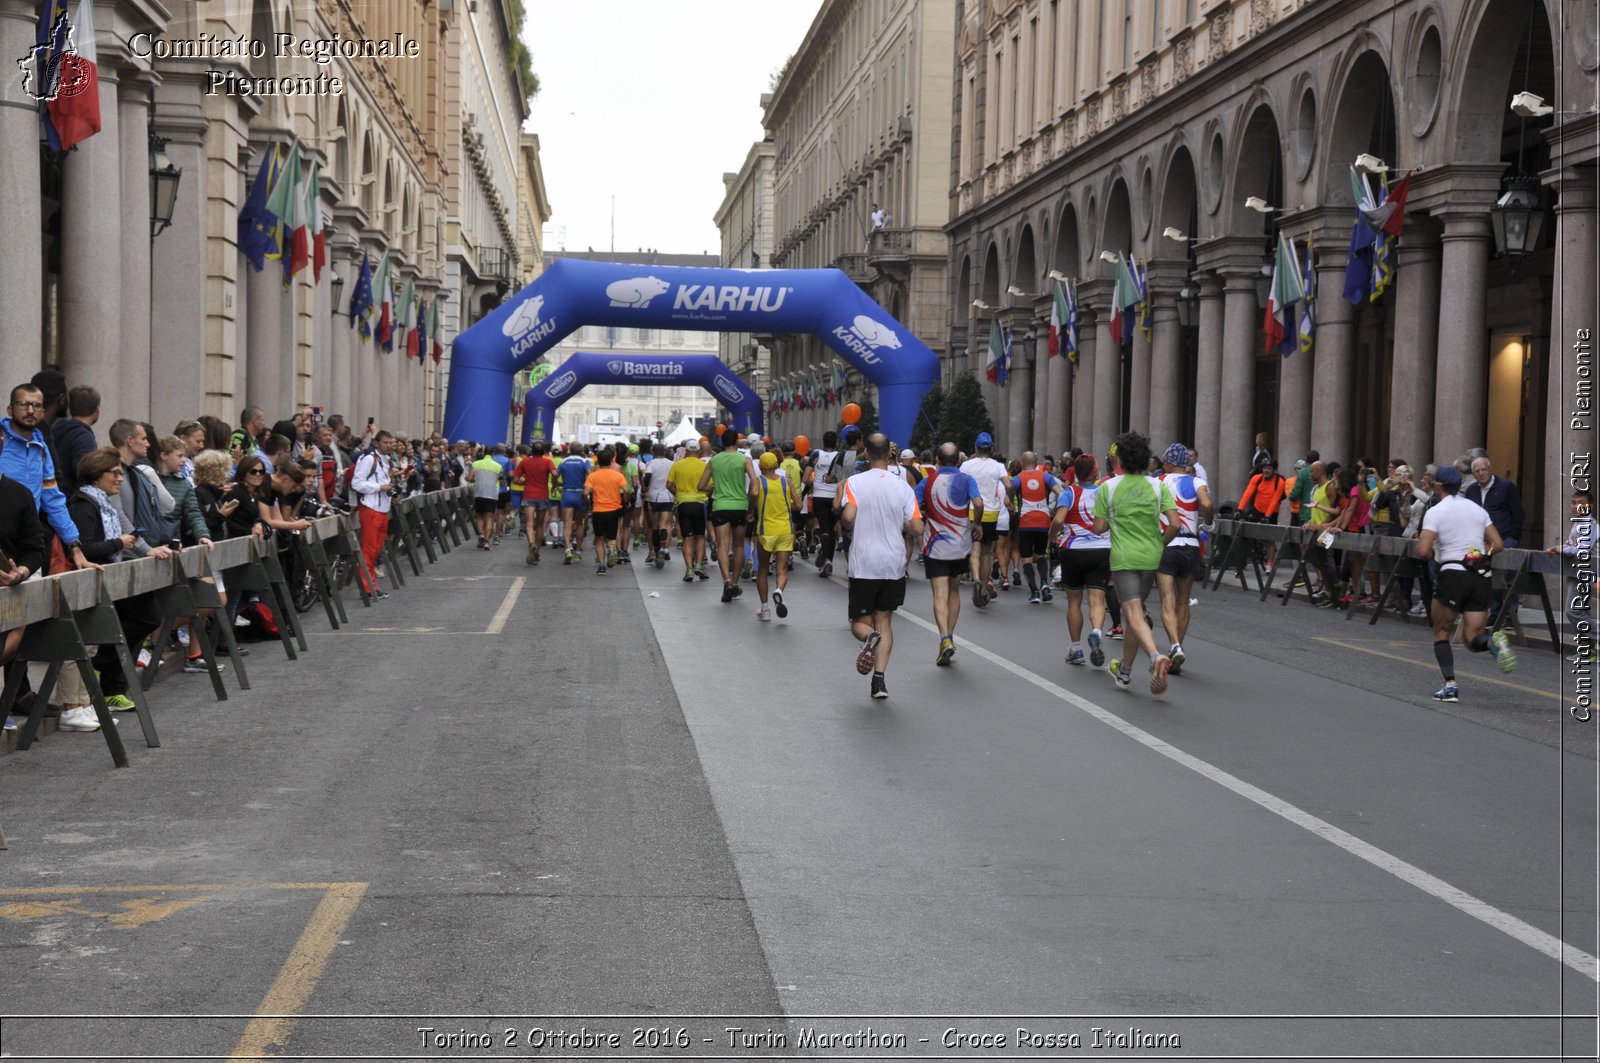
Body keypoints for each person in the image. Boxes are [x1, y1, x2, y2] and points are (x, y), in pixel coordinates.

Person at [65, 447, 180, 728]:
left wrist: (137, 546)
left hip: (110, 578)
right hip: (91, 582)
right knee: (84, 646)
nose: (119, 479)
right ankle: (80, 704)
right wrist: (121, 544)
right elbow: (86, 548)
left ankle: (95, 695)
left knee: (137, 621)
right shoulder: (84, 504)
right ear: (97, 475)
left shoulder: (102, 502)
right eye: (114, 474)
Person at [1416, 463, 1517, 702]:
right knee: (1472, 639)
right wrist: (1476, 556)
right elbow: (1498, 544)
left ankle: (1450, 686)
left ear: (1437, 486)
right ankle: (1492, 641)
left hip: (1452, 575)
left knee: (1441, 631)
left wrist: (1432, 553)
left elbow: (1422, 551)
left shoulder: (1436, 511)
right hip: (1479, 575)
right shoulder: (1476, 509)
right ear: (1459, 485)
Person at [1091, 432, 1179, 695]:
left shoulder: (1109, 487)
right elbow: (1175, 523)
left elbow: (1098, 527)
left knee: (1132, 613)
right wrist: (1160, 544)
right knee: (1136, 615)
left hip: (1124, 556)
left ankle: (1155, 657)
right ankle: (1125, 672)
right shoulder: (1157, 486)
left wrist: (1113, 518)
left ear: (1120, 459)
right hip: (1151, 555)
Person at [840, 434, 923, 700]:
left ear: (866, 453)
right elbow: (918, 527)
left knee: (858, 622)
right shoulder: (903, 487)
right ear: (889, 454)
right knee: (885, 619)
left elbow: (849, 517)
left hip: (864, 563)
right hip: (893, 563)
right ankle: (879, 681)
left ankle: (870, 637)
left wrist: (847, 521)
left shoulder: (854, 482)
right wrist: (904, 524)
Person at [0, 383, 94, 572]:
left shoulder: (41, 448)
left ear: (42, 411)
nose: (30, 411)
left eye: (36, 406)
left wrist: (74, 545)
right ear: (10, 409)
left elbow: (53, 499)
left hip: (28, 546)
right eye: (23, 404)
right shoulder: (1, 440)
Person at [915, 443, 982, 665]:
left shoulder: (928, 481)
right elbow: (979, 502)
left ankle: (943, 637)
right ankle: (950, 636)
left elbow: (913, 504)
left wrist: (924, 515)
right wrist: (977, 523)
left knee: (939, 594)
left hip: (935, 545)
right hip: (960, 544)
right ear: (959, 461)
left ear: (938, 460)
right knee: (954, 591)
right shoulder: (966, 479)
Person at [1156, 442, 1213, 674]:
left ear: (1169, 462)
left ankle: (1174, 646)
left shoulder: (1158, 482)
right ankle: (1178, 646)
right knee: (1183, 601)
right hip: (1190, 546)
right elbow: (1207, 504)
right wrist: (1208, 524)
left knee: (1167, 600)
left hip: (1167, 544)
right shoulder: (1197, 481)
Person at [1051, 453, 1112, 668]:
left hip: (1074, 550)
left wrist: (1052, 536)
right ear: (1095, 471)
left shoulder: (1069, 493)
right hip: (1102, 550)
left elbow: (1059, 519)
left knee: (1074, 601)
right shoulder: (1104, 492)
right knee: (1097, 600)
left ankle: (1075, 649)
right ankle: (1096, 632)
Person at [699, 433, 758, 603]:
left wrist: (716, 486)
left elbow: (701, 486)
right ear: (737, 442)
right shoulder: (744, 460)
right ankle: (735, 582)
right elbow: (754, 487)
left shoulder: (714, 460)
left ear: (721, 443)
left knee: (722, 546)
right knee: (739, 545)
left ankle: (726, 581)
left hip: (720, 506)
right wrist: (751, 507)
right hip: (740, 506)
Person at [750, 451, 799, 620]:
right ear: (777, 466)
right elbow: (798, 505)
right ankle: (779, 590)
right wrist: (784, 506)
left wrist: (751, 510)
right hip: (785, 529)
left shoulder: (758, 482)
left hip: (766, 531)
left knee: (763, 569)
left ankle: (765, 610)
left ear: (761, 467)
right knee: (782, 569)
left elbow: (754, 495)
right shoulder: (786, 482)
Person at [960, 432, 1007, 606]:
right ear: (991, 448)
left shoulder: (966, 465)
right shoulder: (997, 466)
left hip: (972, 510)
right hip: (991, 512)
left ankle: (977, 579)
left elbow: (958, 484)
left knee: (975, 549)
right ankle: (985, 588)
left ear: (975, 447)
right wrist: (1009, 500)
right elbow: (1008, 484)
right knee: (987, 553)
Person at [1009, 451, 1061, 604]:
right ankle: (1044, 583)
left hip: (1026, 521)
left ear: (1022, 464)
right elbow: (1060, 492)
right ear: (1036, 462)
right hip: (1043, 520)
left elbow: (1009, 487)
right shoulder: (1046, 476)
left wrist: (1012, 501)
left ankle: (1034, 592)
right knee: (1040, 556)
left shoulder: (1019, 478)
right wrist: (1056, 509)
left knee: (1027, 559)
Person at [350, 430, 396, 600]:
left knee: (375, 550)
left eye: (391, 442)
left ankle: (370, 585)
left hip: (382, 509)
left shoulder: (385, 460)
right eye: (386, 442)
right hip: (371, 509)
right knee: (369, 550)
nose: (389, 445)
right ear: (377, 443)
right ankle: (368, 587)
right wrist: (379, 487)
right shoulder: (369, 459)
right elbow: (357, 483)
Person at [1547, 488, 1595, 645]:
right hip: (1575, 571)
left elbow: (1582, 550)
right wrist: (1558, 547)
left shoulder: (1589, 524)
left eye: (1581, 503)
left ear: (1590, 506)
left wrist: (1563, 550)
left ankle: (1593, 642)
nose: (1576, 507)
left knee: (1573, 611)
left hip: (1585, 571)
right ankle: (1588, 649)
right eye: (1574, 503)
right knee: (1580, 611)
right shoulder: (1578, 524)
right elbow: (1570, 544)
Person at [668, 439, 710, 581]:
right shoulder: (704, 466)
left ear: (685, 451)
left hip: (683, 504)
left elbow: (669, 484)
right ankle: (699, 564)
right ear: (698, 451)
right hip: (700, 503)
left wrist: (678, 494)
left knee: (687, 538)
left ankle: (689, 570)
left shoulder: (677, 465)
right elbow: (710, 486)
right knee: (700, 536)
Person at [583, 447, 629, 574]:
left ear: (598, 461)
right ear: (610, 461)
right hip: (614, 510)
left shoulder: (593, 476)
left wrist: (584, 496)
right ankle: (613, 549)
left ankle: (602, 565)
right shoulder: (618, 475)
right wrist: (625, 500)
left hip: (598, 510)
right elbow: (626, 490)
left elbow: (586, 492)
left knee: (599, 539)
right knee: (611, 536)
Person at [808, 431, 844, 577]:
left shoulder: (816, 455)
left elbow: (805, 478)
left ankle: (825, 560)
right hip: (835, 497)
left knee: (824, 528)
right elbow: (845, 478)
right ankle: (828, 560)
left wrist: (815, 484)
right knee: (833, 529)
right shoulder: (841, 456)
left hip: (819, 496)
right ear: (836, 442)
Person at [515, 442, 557, 564]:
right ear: (544, 452)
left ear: (531, 451)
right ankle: (537, 550)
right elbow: (555, 474)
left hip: (528, 494)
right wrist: (554, 483)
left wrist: (524, 482)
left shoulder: (525, 462)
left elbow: (515, 478)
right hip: (543, 495)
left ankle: (531, 544)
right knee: (539, 524)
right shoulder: (548, 461)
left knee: (529, 523)